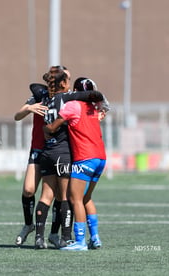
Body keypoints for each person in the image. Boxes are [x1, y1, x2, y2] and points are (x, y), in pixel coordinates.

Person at [34, 66, 105, 249]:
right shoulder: (93, 110)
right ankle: (95, 237)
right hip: (100, 158)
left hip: (83, 157)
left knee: (74, 199)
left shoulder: (72, 105)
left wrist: (46, 129)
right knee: (86, 198)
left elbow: (52, 127)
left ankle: (79, 241)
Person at [14, 86, 48, 246]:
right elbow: (17, 116)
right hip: (38, 149)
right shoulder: (39, 96)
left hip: (58, 151)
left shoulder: (67, 97)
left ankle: (55, 234)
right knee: (28, 190)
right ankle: (29, 225)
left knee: (57, 195)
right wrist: (29, 108)